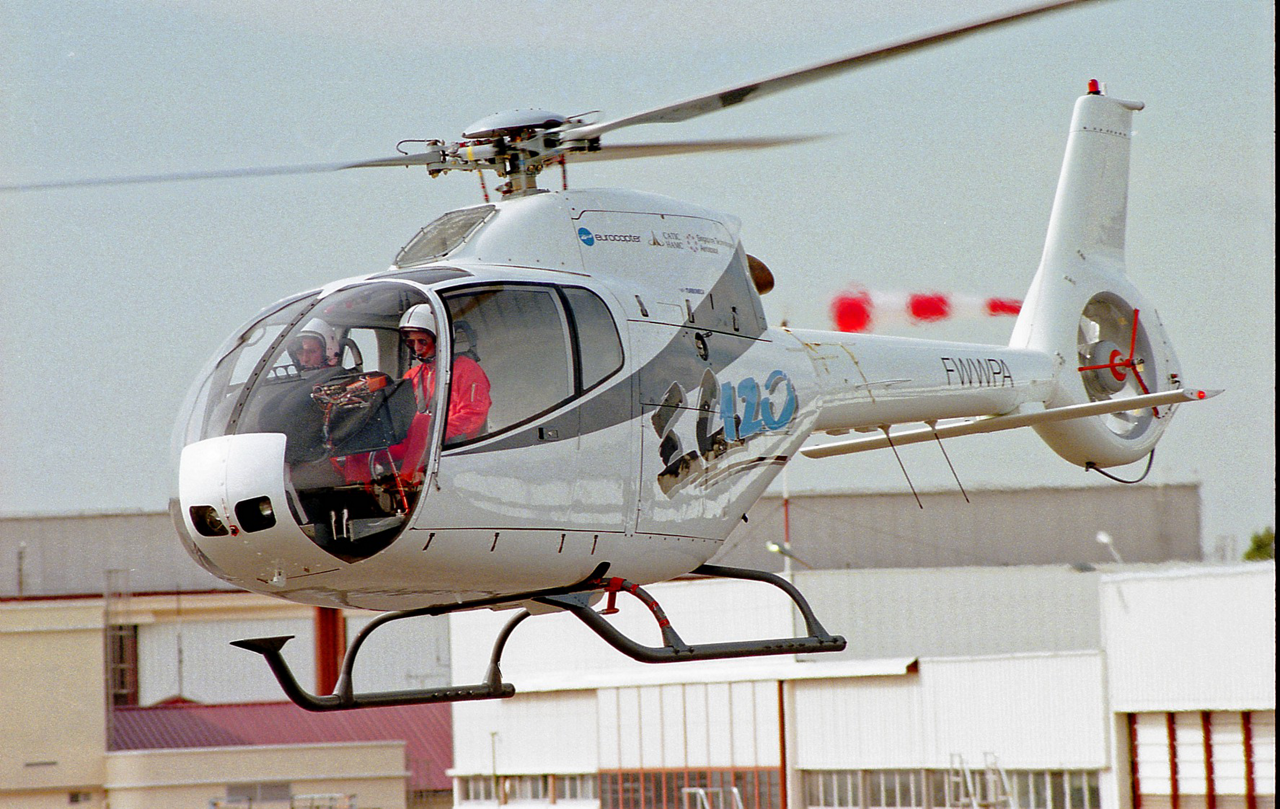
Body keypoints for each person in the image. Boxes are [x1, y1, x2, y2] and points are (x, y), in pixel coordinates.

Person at [398, 303, 492, 444]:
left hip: (451, 448)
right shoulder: (412, 376)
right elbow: (401, 419)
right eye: (411, 342)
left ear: (440, 341)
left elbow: (473, 415)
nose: (417, 348)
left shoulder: (466, 370)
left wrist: (435, 432)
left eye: (422, 341)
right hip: (418, 450)